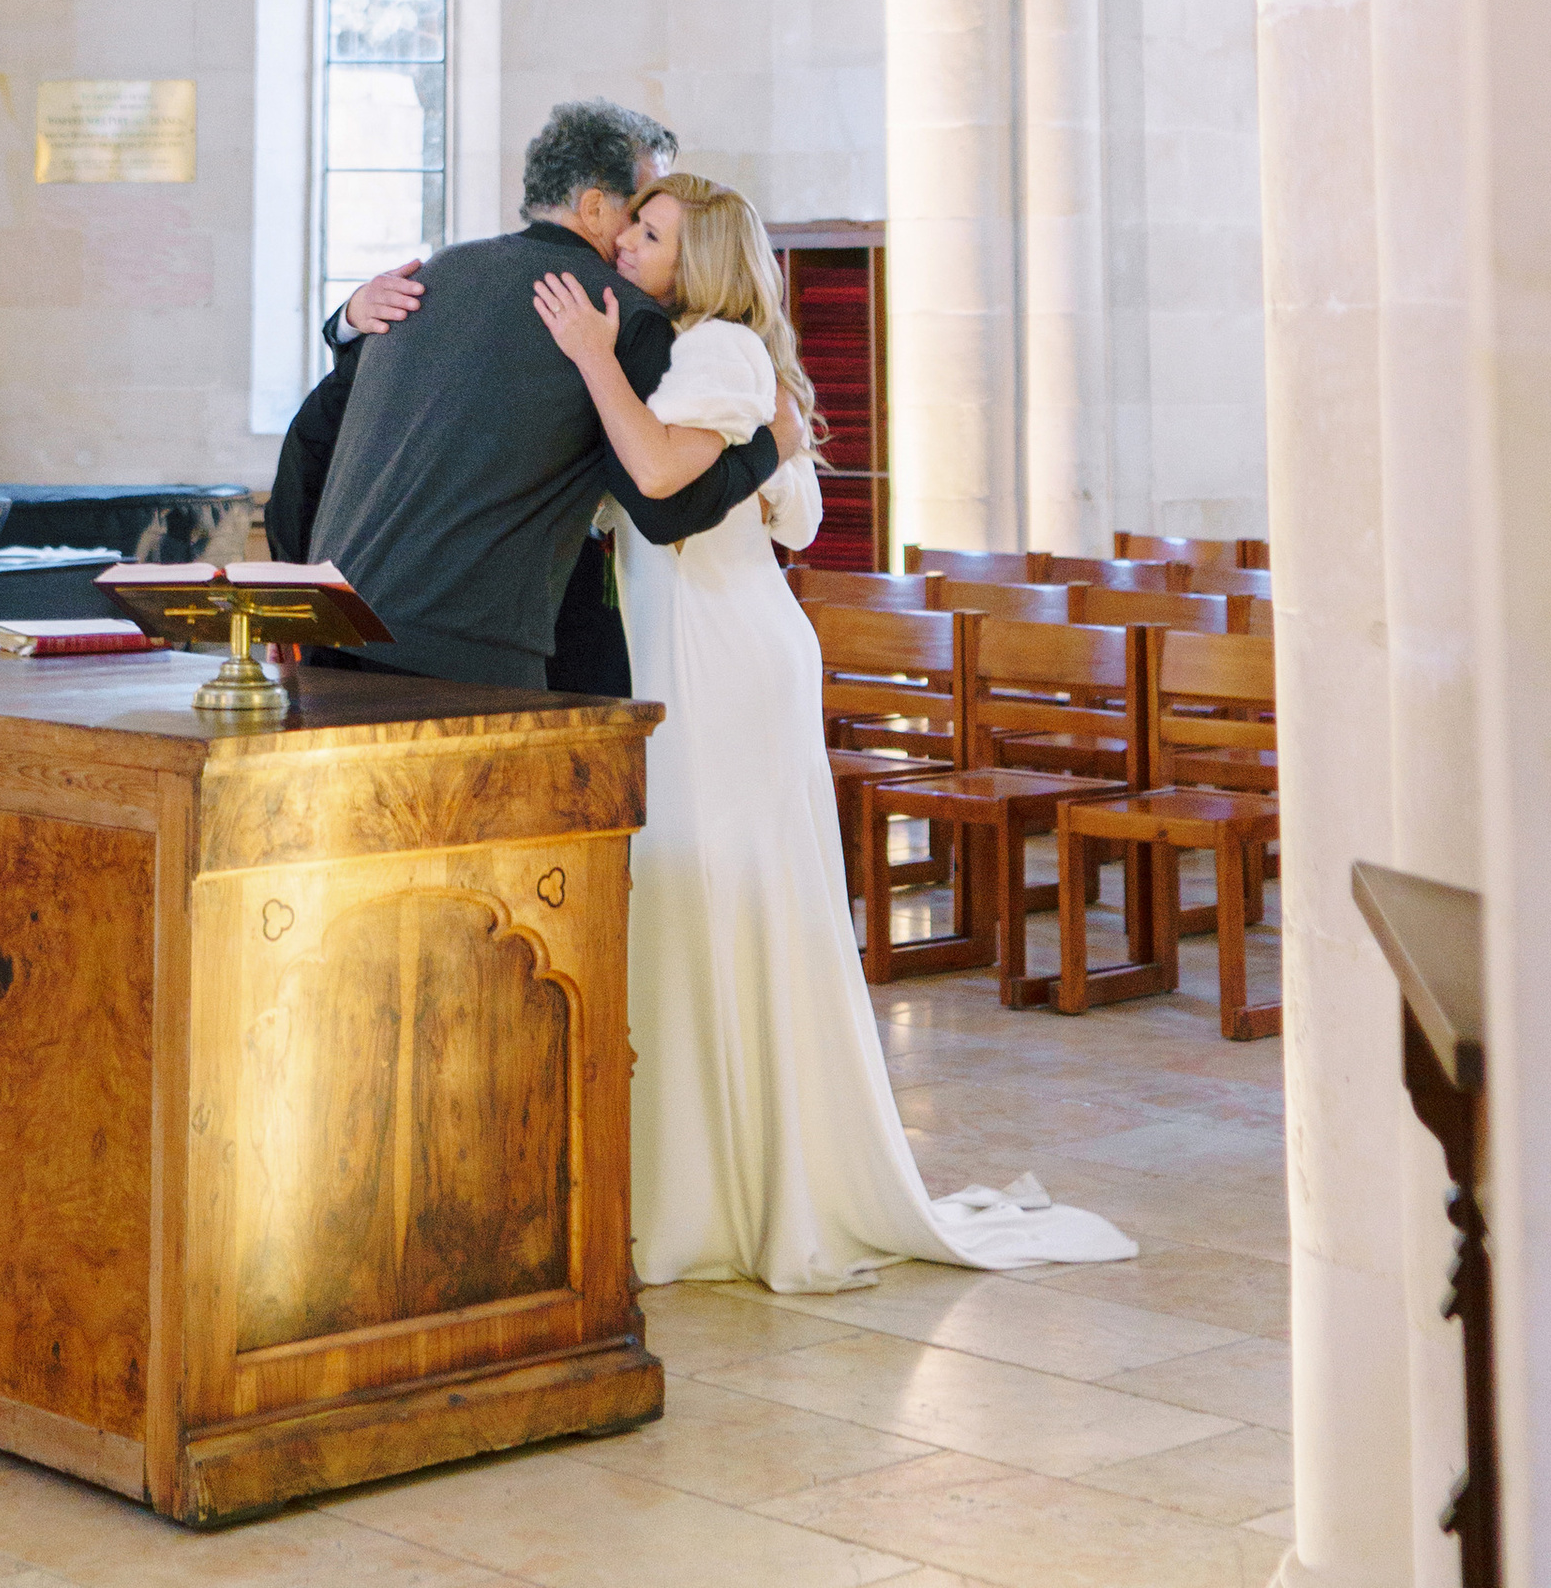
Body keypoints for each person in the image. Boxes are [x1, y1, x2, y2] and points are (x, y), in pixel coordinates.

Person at [534, 175, 1135, 1291]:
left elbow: (663, 474)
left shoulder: (721, 352)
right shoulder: (689, 356)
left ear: (702, 259)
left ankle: (743, 1193)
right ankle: (697, 1177)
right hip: (688, 646)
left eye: (652, 233)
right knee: (691, 893)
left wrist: (589, 359)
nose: (626, 240)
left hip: (726, 652)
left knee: (720, 887)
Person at [303, 104, 789, 694]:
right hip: (460, 650)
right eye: (638, 211)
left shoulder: (430, 273)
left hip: (333, 624)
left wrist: (342, 320)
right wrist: (771, 443)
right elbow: (666, 508)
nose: (635, 235)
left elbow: (316, 429)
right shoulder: (615, 310)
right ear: (594, 207)